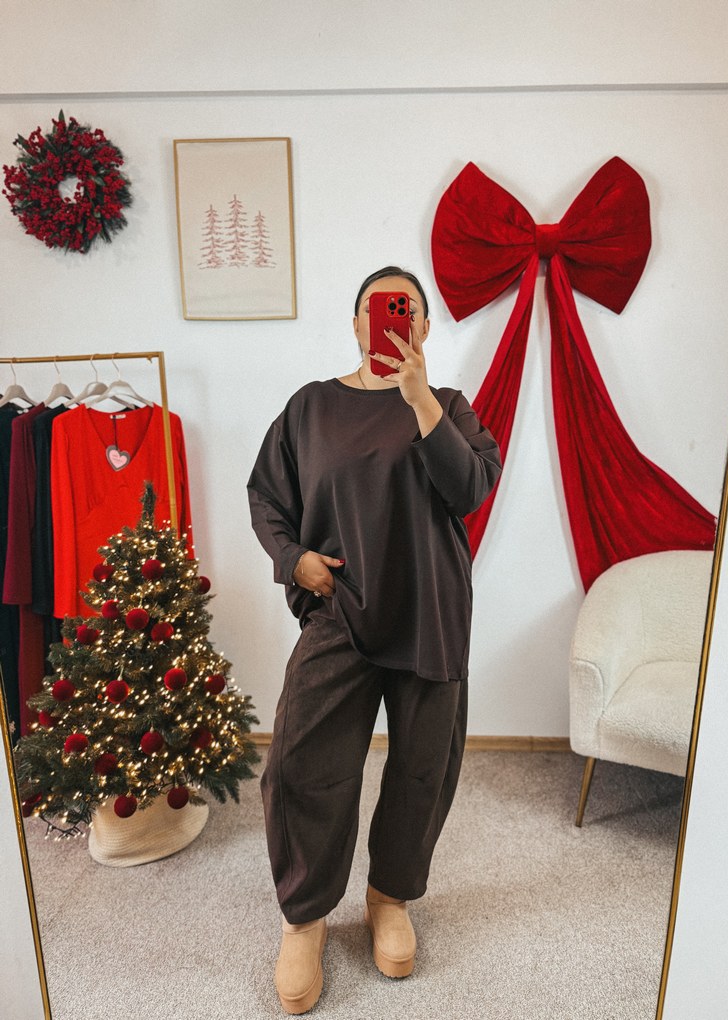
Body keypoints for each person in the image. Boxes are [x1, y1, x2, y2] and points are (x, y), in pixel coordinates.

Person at [247, 266, 502, 1015]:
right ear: (356, 323)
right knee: (300, 762)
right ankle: (305, 917)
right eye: (379, 307)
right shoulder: (311, 407)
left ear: (423, 326)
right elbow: (267, 495)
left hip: (430, 612)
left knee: (423, 768)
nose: (393, 319)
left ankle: (389, 897)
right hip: (340, 611)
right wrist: (292, 558)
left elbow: (469, 489)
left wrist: (418, 399)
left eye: (408, 309)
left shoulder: (448, 405)